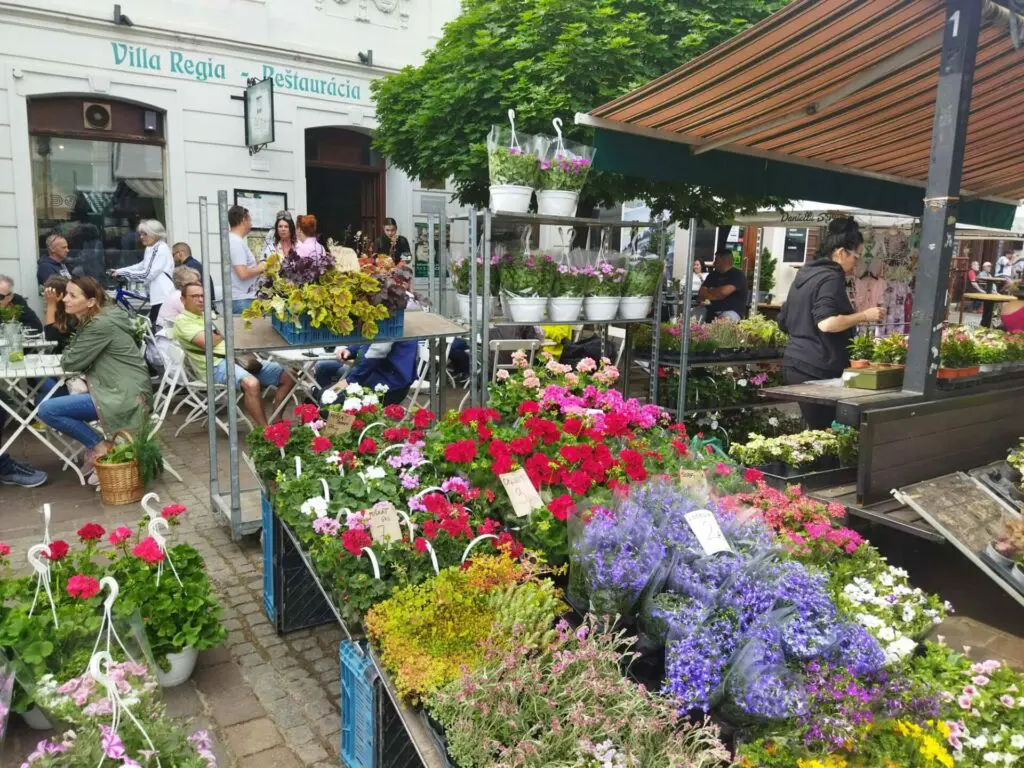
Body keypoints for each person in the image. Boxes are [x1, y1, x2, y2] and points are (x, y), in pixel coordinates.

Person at [37, 277, 153, 482]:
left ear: (90, 302)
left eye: (72, 295)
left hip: (124, 395)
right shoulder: (97, 319)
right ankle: (101, 447)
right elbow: (72, 354)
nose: (65, 299)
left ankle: (101, 447)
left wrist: (73, 353)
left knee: (48, 409)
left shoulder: (100, 324)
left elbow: (70, 361)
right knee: (51, 400)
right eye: (66, 294)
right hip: (113, 388)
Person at [778, 217, 884, 429]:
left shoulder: (806, 273)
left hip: (796, 362)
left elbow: (783, 321)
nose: (857, 263)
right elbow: (826, 323)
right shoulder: (831, 278)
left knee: (815, 430)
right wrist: (864, 315)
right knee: (826, 432)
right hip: (817, 367)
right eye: (856, 256)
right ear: (841, 252)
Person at [173, 281, 295, 426]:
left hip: (239, 359)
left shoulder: (209, 314)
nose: (200, 299)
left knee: (290, 375)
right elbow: (208, 342)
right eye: (194, 296)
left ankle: (277, 421)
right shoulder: (182, 321)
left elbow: (230, 333)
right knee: (251, 384)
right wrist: (228, 328)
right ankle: (265, 432)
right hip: (215, 366)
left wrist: (227, 330)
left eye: (202, 296)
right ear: (183, 300)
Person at [315, 340, 418, 405]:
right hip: (372, 374)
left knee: (329, 399)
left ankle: (341, 429)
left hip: (390, 386)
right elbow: (367, 339)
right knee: (324, 394)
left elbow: (373, 356)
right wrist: (350, 350)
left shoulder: (391, 321)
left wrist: (349, 381)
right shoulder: (383, 318)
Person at [113, 219, 175, 326]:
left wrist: (124, 274)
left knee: (155, 328)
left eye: (145, 234)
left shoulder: (160, 249)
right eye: (140, 234)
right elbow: (141, 265)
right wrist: (120, 270)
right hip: (157, 296)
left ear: (155, 234)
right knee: (151, 327)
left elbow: (148, 274)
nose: (141, 237)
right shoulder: (151, 248)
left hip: (163, 296)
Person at [228, 206, 266, 314]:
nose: (251, 224)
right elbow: (242, 273)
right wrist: (261, 268)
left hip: (243, 298)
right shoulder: (235, 242)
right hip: (243, 299)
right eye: (250, 220)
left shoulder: (234, 240)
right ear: (244, 220)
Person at [698, 249, 748, 322]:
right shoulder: (712, 275)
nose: (714, 263)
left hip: (731, 311)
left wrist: (709, 291)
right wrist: (716, 296)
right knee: (693, 315)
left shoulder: (737, 275)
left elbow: (723, 292)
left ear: (725, 261)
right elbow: (701, 292)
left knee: (723, 321)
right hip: (710, 309)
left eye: (716, 260)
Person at [41, 276, 76, 352]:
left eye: (48, 294)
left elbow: (51, 338)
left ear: (60, 295)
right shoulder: (57, 312)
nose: (45, 297)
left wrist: (51, 304)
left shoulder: (72, 315)